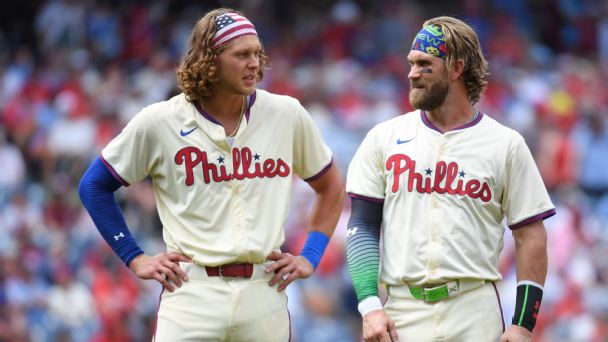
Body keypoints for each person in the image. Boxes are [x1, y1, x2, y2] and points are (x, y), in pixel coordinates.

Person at [78, 8, 344, 341]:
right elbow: (94, 185)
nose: (255, 64)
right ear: (210, 61)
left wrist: (311, 254)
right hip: (192, 290)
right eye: (242, 55)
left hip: (264, 288)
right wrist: (135, 258)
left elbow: (330, 185)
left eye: (257, 54)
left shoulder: (286, 114)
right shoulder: (160, 121)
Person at [345, 16, 555, 342]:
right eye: (411, 64)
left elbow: (531, 236)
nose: (412, 73)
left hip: (473, 308)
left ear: (456, 69)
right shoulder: (384, 138)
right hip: (402, 310)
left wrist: (523, 323)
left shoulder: (505, 143)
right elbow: (363, 226)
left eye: (424, 64)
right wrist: (370, 306)